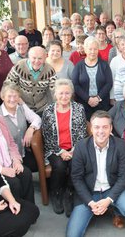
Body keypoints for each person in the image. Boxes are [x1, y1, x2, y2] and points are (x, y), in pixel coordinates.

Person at [66, 111, 125, 236]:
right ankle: (97, 209)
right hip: (89, 193)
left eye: (105, 127)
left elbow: (124, 175)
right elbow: (77, 178)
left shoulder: (120, 145)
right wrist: (90, 202)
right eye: (97, 127)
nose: (101, 131)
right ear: (91, 128)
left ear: (111, 128)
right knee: (72, 235)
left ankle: (112, 207)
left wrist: (108, 199)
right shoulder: (81, 146)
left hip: (111, 189)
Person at [42, 79, 88, 217]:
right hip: (55, 149)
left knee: (76, 164)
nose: (64, 96)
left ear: (72, 94)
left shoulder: (79, 108)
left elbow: (82, 132)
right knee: (60, 166)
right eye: (61, 93)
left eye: (67, 93)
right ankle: (56, 193)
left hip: (75, 148)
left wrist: (73, 151)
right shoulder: (48, 111)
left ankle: (69, 193)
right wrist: (61, 151)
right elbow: (47, 135)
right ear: (55, 94)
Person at [0, 82, 41, 172]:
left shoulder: (21, 107)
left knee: (39, 164)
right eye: (9, 96)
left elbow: (37, 119)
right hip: (8, 157)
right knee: (25, 174)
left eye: (15, 96)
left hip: (23, 153)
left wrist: (31, 128)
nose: (12, 99)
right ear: (2, 97)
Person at [5, 46, 57, 116]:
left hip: (41, 108)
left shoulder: (50, 70)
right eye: (34, 58)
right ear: (29, 57)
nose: (36, 61)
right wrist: (15, 99)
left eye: (40, 58)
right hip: (21, 107)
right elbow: (9, 84)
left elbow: (54, 90)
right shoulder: (19, 66)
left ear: (45, 58)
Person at [72, 37, 113, 120]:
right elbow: (75, 85)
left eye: (95, 49)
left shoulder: (104, 65)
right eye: (90, 49)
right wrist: (88, 99)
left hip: (102, 104)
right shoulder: (79, 66)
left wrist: (98, 98)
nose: (93, 52)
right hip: (83, 104)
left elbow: (109, 83)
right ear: (85, 50)